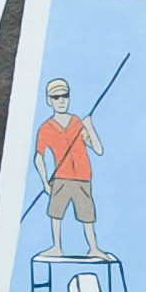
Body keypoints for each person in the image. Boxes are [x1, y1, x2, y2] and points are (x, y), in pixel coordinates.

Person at [33, 76, 107, 260]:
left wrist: (89, 127)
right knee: (56, 213)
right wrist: (44, 182)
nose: (61, 101)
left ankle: (94, 248)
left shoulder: (77, 123)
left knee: (87, 215)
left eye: (64, 96)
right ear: (49, 100)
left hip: (82, 176)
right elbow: (39, 157)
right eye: (56, 97)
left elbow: (98, 150)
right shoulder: (46, 128)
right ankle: (57, 247)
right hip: (61, 177)